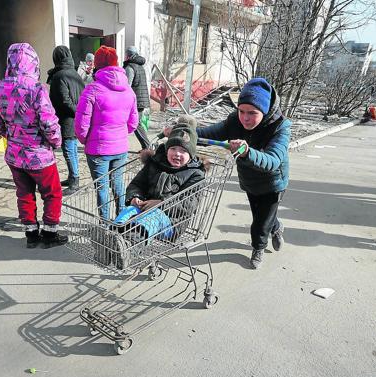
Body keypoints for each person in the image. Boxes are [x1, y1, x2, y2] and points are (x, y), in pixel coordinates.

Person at [169, 77, 291, 269]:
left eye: (252, 113)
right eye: (241, 111)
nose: (245, 118)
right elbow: (209, 133)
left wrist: (248, 151)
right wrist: (181, 133)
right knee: (261, 213)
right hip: (250, 179)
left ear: (265, 111)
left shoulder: (280, 127)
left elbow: (273, 160)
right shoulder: (234, 121)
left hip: (273, 181)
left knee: (260, 221)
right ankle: (276, 227)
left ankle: (258, 247)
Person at [0, 43, 67, 249]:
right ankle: (50, 233)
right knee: (52, 193)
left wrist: (11, 134)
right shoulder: (36, 89)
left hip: (15, 154)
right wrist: (56, 141)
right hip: (39, 156)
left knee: (24, 192)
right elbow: (49, 123)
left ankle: (31, 233)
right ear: (33, 63)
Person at [113, 116, 206, 261]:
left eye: (183, 151)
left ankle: (130, 247)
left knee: (152, 217)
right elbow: (136, 184)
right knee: (129, 211)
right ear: (167, 149)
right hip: (145, 208)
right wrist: (134, 197)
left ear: (191, 154)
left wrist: (161, 203)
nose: (177, 153)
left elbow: (188, 205)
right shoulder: (155, 163)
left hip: (172, 221)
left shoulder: (195, 174)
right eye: (173, 148)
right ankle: (111, 237)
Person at [74, 45, 139, 220]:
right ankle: (121, 219)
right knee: (117, 183)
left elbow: (81, 125)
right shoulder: (129, 90)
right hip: (120, 148)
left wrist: (86, 140)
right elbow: (134, 123)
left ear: (97, 64)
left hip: (98, 149)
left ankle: (105, 224)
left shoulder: (92, 90)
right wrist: (119, 134)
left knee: (102, 187)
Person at [47, 45, 85, 195]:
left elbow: (64, 101)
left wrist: (76, 112)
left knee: (69, 150)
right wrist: (80, 114)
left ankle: (75, 180)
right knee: (72, 149)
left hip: (66, 120)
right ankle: (72, 176)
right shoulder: (75, 74)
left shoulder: (59, 76)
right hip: (75, 119)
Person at [123, 46, 151, 149]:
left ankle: (147, 146)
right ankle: (146, 146)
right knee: (134, 123)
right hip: (140, 99)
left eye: (126, 54)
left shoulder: (130, 67)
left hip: (135, 101)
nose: (124, 56)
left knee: (135, 124)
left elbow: (127, 86)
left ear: (129, 55)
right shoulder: (140, 66)